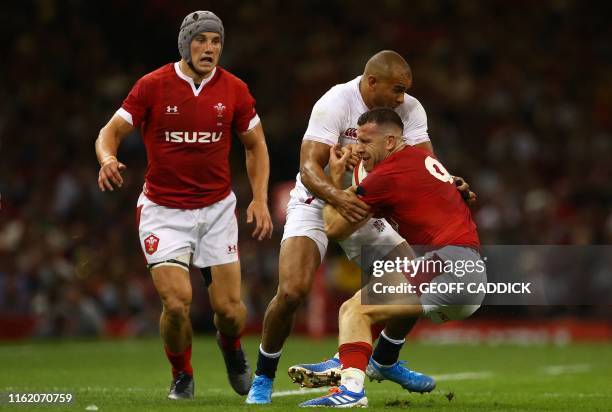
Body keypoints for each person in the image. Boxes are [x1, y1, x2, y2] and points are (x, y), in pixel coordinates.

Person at [247, 50, 474, 404]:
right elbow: (309, 167)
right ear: (371, 82)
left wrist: (450, 181)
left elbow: (425, 163)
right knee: (292, 291)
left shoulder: (410, 110)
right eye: (396, 90)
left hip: (368, 200)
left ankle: (382, 359)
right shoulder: (335, 102)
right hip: (319, 199)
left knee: (408, 273)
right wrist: (338, 196)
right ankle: (263, 377)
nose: (402, 98)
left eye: (405, 91)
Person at [95, 11, 273, 400]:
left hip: (216, 210)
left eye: (216, 41)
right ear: (185, 44)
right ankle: (182, 374)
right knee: (177, 303)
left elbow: (255, 144)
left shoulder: (235, 90)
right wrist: (108, 159)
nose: (209, 48)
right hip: (163, 211)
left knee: (230, 311)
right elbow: (110, 132)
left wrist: (259, 198)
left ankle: (232, 350)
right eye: (201, 40)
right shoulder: (152, 85)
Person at [300, 108, 486, 407]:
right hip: (469, 273)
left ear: (390, 141)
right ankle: (383, 360)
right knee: (396, 283)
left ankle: (350, 389)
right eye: (356, 140)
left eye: (366, 141)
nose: (358, 148)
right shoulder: (424, 159)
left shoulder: (387, 175)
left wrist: (334, 181)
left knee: (354, 311)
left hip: (447, 266)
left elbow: (334, 227)